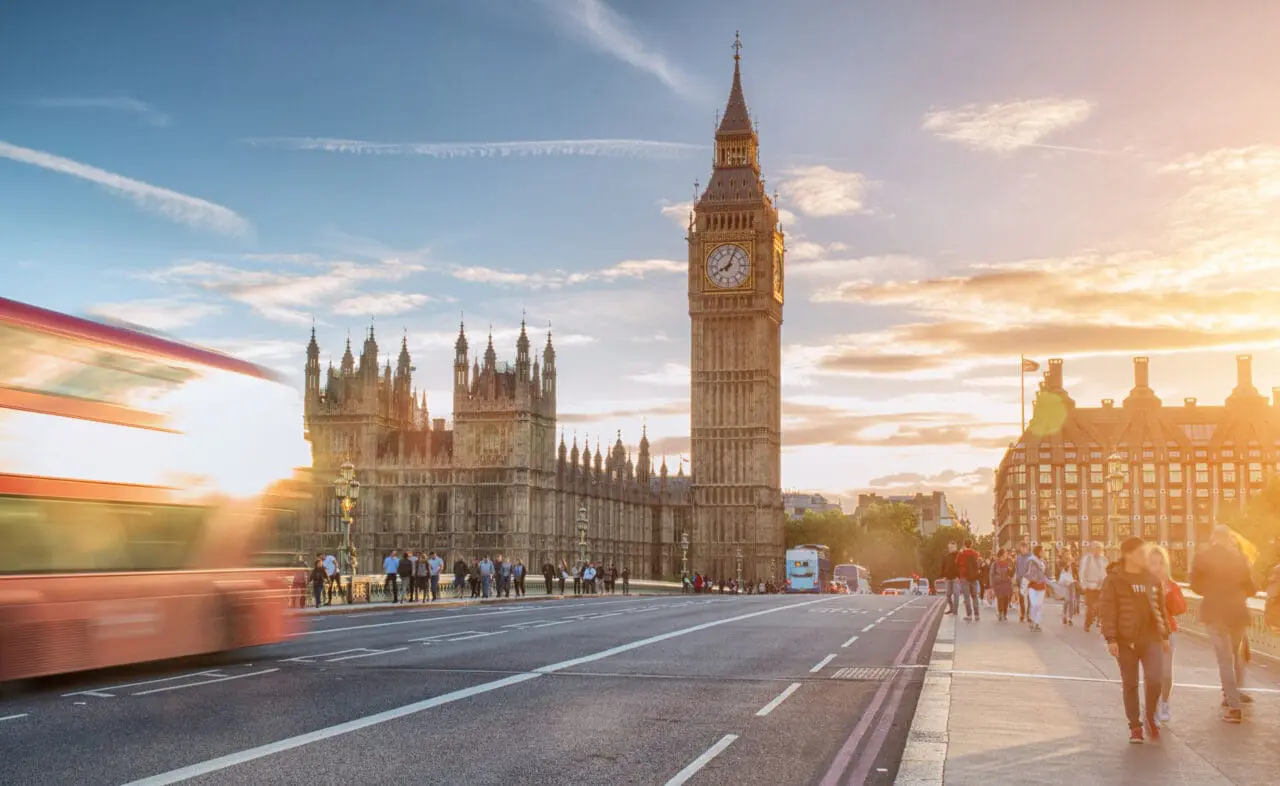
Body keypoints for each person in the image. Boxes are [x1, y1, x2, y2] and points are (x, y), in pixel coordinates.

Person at [1100, 536, 1169, 743]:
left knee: (1156, 679)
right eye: (1141, 553)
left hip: (1151, 638)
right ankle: (1135, 726)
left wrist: (1164, 634)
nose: (1144, 557)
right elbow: (1107, 609)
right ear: (1128, 554)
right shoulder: (1114, 579)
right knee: (1130, 683)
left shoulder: (1152, 579)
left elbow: (1160, 608)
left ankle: (1149, 715)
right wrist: (1111, 638)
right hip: (1125, 640)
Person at [1190, 525, 1257, 723]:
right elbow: (1251, 588)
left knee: (1225, 660)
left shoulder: (1202, 556)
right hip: (1237, 613)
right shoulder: (1240, 558)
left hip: (1215, 613)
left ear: (1213, 538)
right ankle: (1232, 694)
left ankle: (1233, 705)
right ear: (1229, 538)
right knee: (1235, 655)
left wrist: (1211, 592)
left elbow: (1194, 585)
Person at [1148, 544, 1186, 724]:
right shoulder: (1143, 585)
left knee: (1166, 675)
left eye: (1161, 563)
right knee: (1153, 675)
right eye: (1153, 563)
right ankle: (1152, 708)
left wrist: (1169, 594)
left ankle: (1164, 703)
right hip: (1147, 635)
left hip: (1167, 633)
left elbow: (1180, 608)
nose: (1157, 567)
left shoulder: (1172, 585)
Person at [1079, 542, 1108, 632]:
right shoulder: (1087, 559)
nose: (1097, 550)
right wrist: (1083, 584)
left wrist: (1104, 581)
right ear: (1092, 549)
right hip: (1090, 586)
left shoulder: (1104, 559)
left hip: (1101, 586)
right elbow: (1082, 572)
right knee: (1091, 607)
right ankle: (1087, 623)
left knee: (1101, 606)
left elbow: (1106, 572)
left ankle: (1099, 621)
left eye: (1099, 548)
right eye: (1096, 548)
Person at [1024, 545, 1049, 632]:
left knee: (1039, 605)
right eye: (1042, 550)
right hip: (1033, 585)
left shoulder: (1044, 562)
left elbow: (1047, 573)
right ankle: (1032, 620)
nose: (1043, 552)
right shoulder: (1031, 560)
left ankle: (1037, 623)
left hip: (1041, 585)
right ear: (1038, 551)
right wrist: (1033, 579)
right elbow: (1027, 572)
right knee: (1034, 604)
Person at [956, 539, 982, 621]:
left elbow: (956, 562)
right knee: (974, 596)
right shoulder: (975, 553)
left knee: (966, 597)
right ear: (971, 544)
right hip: (973, 577)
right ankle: (977, 615)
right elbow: (980, 562)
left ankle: (969, 615)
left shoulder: (961, 553)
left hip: (964, 577)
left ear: (964, 545)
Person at [989, 549, 1015, 621]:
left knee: (1006, 599)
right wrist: (992, 586)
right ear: (1002, 554)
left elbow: (1012, 574)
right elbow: (991, 575)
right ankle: (1000, 613)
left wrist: (1011, 569)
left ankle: (1005, 614)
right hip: (998, 584)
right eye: (1006, 553)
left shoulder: (1008, 562)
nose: (1007, 554)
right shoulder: (995, 563)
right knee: (1000, 599)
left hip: (1007, 584)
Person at [939, 541, 960, 615]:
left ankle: (955, 611)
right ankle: (951, 608)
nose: (950, 549)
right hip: (948, 578)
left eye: (951, 547)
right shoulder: (946, 557)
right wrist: (943, 576)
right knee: (948, 594)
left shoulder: (959, 555)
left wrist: (959, 576)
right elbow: (942, 567)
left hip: (956, 578)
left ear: (955, 547)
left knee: (956, 594)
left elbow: (962, 567)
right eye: (949, 547)